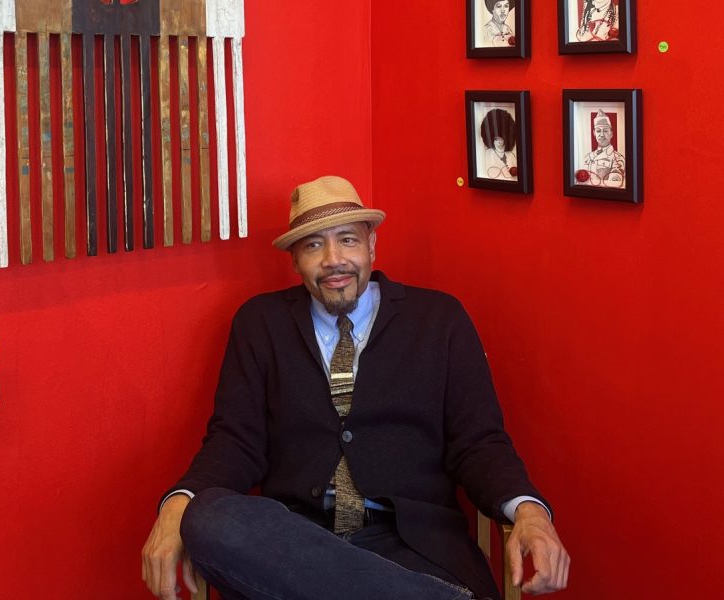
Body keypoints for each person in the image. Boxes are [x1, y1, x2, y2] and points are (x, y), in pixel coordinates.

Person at [142, 176, 570, 600]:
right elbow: (235, 440)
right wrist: (178, 503)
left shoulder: (439, 320)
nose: (333, 259)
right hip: (294, 546)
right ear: (294, 260)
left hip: (412, 549)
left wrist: (529, 510)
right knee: (209, 518)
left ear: (371, 246)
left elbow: (479, 441)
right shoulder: (260, 324)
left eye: (347, 240)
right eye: (313, 245)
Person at [578, 110, 625, 187]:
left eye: (605, 131)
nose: (602, 135)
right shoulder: (587, 157)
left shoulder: (618, 158)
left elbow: (616, 184)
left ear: (611, 133)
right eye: (598, 131)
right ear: (594, 133)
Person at [480, 109, 517, 180]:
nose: (500, 142)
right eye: (496, 139)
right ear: (491, 139)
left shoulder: (511, 155)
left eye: (502, 139)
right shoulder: (488, 154)